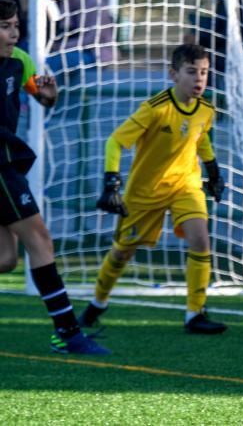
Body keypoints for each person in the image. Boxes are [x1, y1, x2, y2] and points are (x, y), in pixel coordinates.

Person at [78, 44, 228, 335]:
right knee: (122, 252)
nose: (199, 79)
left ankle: (194, 314)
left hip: (186, 184)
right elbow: (115, 141)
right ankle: (97, 303)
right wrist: (111, 181)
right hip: (145, 192)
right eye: (191, 72)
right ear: (173, 74)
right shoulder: (155, 108)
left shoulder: (207, 109)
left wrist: (213, 171)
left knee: (201, 240)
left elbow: (200, 139)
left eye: (204, 72)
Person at [0, 0, 110, 355]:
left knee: (5, 260)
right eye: (5, 27)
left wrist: (49, 94)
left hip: (8, 163)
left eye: (15, 25)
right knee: (41, 240)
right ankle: (66, 332)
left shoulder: (20, 62)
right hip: (0, 167)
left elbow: (40, 93)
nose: (13, 33)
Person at [49, 0, 118, 73]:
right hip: (76, 50)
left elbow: (90, 40)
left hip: (96, 55)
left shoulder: (96, 5)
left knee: (62, 61)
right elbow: (65, 28)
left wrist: (61, 46)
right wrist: (65, 4)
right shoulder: (71, 2)